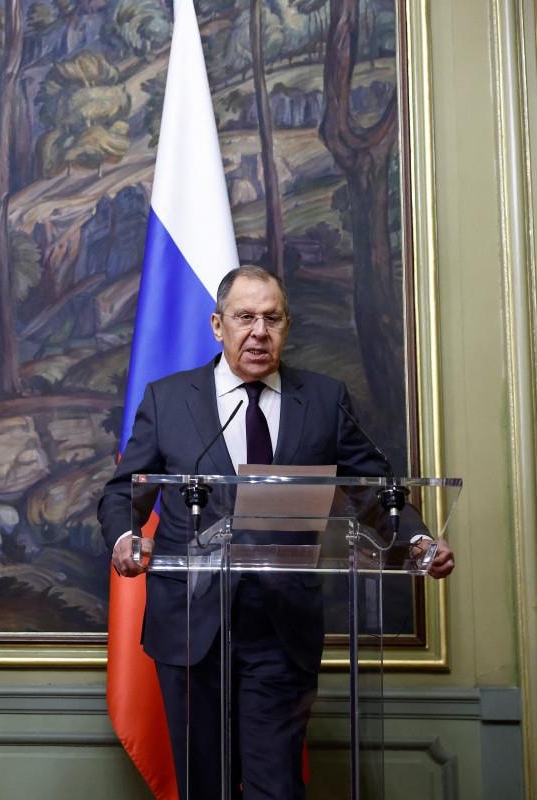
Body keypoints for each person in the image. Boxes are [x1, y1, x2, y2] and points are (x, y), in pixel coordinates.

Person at [97, 266, 454, 800]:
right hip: (192, 626)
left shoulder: (325, 399)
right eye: (245, 317)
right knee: (204, 787)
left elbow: (375, 491)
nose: (259, 332)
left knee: (277, 787)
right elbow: (124, 492)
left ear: (287, 325)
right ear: (217, 325)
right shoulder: (168, 399)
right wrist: (126, 538)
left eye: (272, 318)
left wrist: (419, 541)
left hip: (281, 629)